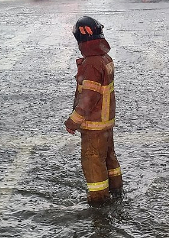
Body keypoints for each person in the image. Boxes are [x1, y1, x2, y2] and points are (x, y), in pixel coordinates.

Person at [64, 16, 123, 205]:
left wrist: (73, 120)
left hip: (94, 125)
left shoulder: (91, 64)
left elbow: (88, 98)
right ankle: (116, 190)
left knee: (92, 160)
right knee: (108, 157)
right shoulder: (105, 58)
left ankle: (99, 202)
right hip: (106, 122)